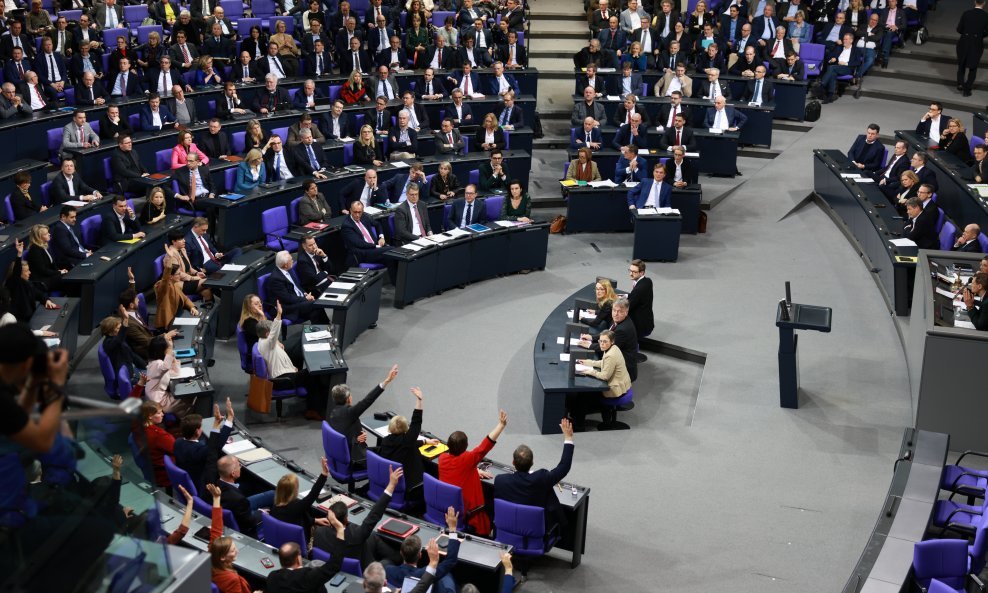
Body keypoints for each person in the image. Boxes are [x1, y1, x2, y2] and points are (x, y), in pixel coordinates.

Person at [493, 418, 574, 537]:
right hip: (533, 535)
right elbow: (564, 467)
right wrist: (568, 438)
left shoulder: (500, 480)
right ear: (532, 462)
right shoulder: (542, 479)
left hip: (506, 534)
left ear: (513, 462)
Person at [313, 464, 404, 567]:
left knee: (372, 537)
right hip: (365, 572)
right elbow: (374, 515)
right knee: (389, 561)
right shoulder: (356, 535)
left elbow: (373, 517)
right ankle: (401, 559)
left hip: (332, 569)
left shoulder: (319, 532)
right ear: (346, 519)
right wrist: (391, 485)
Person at [439, 410, 507, 535]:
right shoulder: (468, 460)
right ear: (466, 446)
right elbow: (485, 445)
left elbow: (458, 466)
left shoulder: (442, 458)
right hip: (469, 513)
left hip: (448, 508)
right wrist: (501, 425)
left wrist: (474, 469)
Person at [329, 365, 398, 468]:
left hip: (344, 456)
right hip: (356, 458)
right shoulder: (349, 412)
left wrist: (355, 437)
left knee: (381, 449)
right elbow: (368, 400)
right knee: (389, 453)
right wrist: (387, 380)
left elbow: (341, 436)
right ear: (348, 399)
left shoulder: (333, 412)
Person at [377, 387, 438, 504]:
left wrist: (425, 442)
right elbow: (416, 422)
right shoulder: (406, 442)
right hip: (412, 486)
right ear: (405, 428)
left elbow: (405, 444)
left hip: (392, 482)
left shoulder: (385, 441)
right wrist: (419, 400)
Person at [386, 507, 461, 593]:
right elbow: (451, 560)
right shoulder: (425, 574)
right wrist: (452, 528)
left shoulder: (388, 570)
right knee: (447, 575)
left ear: (401, 553)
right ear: (420, 555)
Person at [267, 515, 348, 593]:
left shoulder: (272, 577)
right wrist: (340, 529)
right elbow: (334, 565)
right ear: (298, 559)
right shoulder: (306, 577)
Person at [203, 483, 258, 593]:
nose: (237, 551)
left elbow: (216, 528)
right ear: (223, 557)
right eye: (233, 550)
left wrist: (217, 498)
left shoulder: (213, 553)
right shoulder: (231, 579)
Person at [573, 329, 632, 428]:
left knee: (583, 397)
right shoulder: (614, 348)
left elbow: (605, 376)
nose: (602, 344)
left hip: (615, 389)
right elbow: (604, 363)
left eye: (605, 341)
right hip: (623, 385)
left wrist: (590, 371)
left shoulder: (611, 355)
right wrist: (588, 362)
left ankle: (579, 425)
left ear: (612, 341)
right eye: (600, 341)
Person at [174, 401, 232, 499]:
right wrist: (229, 419)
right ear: (197, 431)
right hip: (203, 485)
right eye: (201, 427)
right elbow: (215, 447)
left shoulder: (178, 442)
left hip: (190, 477)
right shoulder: (199, 451)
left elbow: (211, 446)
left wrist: (216, 424)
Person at [271, 456, 330, 542]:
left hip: (282, 540)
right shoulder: (296, 507)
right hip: (299, 544)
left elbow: (297, 518)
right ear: (293, 491)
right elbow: (313, 494)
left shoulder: (275, 505)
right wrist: (324, 473)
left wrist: (314, 520)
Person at [580, 298, 639, 381]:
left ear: (626, 312)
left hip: (624, 370)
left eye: (620, 311)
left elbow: (607, 346)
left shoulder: (623, 330)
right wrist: (592, 337)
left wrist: (589, 345)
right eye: (614, 310)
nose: (616, 314)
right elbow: (609, 334)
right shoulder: (619, 321)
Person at [4, 241, 58, 323]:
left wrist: (46, 300)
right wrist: (19, 254)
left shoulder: (27, 283)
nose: (30, 272)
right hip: (21, 320)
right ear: (19, 274)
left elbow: (37, 293)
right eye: (26, 271)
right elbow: (16, 272)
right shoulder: (14, 283)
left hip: (31, 316)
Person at [266, 251, 325, 324]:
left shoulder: (288, 270)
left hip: (295, 299)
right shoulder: (276, 279)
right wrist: (304, 299)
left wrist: (305, 294)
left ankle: (322, 328)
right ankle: (323, 328)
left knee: (315, 309)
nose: (293, 261)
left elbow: (297, 286)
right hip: (286, 307)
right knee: (315, 305)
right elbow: (287, 298)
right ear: (285, 265)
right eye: (291, 260)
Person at [145, 333, 195, 416]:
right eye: (167, 349)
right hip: (158, 402)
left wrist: (172, 356)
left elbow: (176, 373)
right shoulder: (156, 364)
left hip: (161, 396)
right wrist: (170, 348)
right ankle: (183, 420)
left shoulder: (158, 362)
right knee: (191, 395)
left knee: (187, 393)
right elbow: (166, 367)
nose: (171, 350)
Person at [155, 241, 200, 328]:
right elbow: (165, 279)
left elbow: (185, 299)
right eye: (178, 274)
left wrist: (192, 307)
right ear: (170, 277)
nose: (180, 275)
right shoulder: (162, 286)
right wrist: (170, 259)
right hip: (168, 322)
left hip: (179, 314)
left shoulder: (175, 284)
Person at [955, 0, 988, 97]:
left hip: (964, 41)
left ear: (975, 2)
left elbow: (959, 29)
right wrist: (979, 35)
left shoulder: (967, 13)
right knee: (973, 67)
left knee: (961, 64)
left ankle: (961, 84)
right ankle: (967, 89)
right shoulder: (986, 16)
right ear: (984, 3)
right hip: (976, 43)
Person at [140, 401, 175, 488]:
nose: (163, 414)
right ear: (150, 416)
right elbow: (176, 449)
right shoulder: (158, 435)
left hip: (151, 469)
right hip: (163, 473)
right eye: (159, 413)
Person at [25, 225, 65, 293]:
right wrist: (59, 272)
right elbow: (42, 270)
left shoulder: (43, 246)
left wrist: (59, 270)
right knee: (68, 280)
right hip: (42, 281)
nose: (49, 234)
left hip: (48, 276)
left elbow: (51, 264)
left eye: (48, 232)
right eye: (46, 234)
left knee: (68, 276)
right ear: (39, 237)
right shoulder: (35, 250)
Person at [627, 259, 655, 345]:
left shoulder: (639, 289)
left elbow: (628, 307)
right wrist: (626, 296)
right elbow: (638, 297)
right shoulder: (647, 281)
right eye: (630, 270)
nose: (631, 273)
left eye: (634, 272)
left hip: (640, 326)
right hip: (647, 321)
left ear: (642, 273)